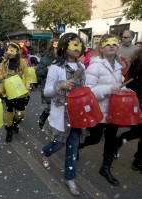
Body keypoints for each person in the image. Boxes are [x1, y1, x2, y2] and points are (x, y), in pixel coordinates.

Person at [41, 33, 85, 196]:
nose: (77, 47)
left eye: (79, 44)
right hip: (62, 114)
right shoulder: (55, 68)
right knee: (59, 144)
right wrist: (62, 85)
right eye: (74, 44)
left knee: (73, 147)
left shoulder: (82, 67)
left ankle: (70, 178)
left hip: (77, 114)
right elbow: (47, 91)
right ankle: (45, 152)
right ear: (64, 47)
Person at [81, 34, 123, 186]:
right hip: (98, 110)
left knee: (111, 139)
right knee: (95, 138)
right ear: (101, 47)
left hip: (114, 109)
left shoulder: (118, 65)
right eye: (108, 44)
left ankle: (105, 168)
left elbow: (118, 85)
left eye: (114, 43)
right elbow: (89, 90)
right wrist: (109, 89)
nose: (111, 46)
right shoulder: (95, 65)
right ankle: (79, 145)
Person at [0, 42, 31, 142]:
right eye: (8, 50)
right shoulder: (4, 63)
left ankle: (15, 123)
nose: (10, 53)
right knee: (9, 111)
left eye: (12, 50)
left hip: (21, 92)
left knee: (21, 113)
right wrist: (2, 76)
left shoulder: (22, 62)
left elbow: (28, 76)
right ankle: (9, 130)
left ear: (17, 52)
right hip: (8, 92)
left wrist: (27, 86)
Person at [115, 48, 142, 172]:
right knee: (137, 131)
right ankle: (118, 141)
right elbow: (132, 84)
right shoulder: (139, 61)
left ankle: (138, 161)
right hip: (139, 101)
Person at [36, 38, 58, 129]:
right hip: (48, 86)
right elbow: (38, 72)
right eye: (56, 48)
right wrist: (46, 69)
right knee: (51, 107)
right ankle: (43, 117)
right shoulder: (45, 59)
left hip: (59, 87)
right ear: (52, 48)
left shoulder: (62, 59)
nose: (58, 50)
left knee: (58, 107)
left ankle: (55, 125)